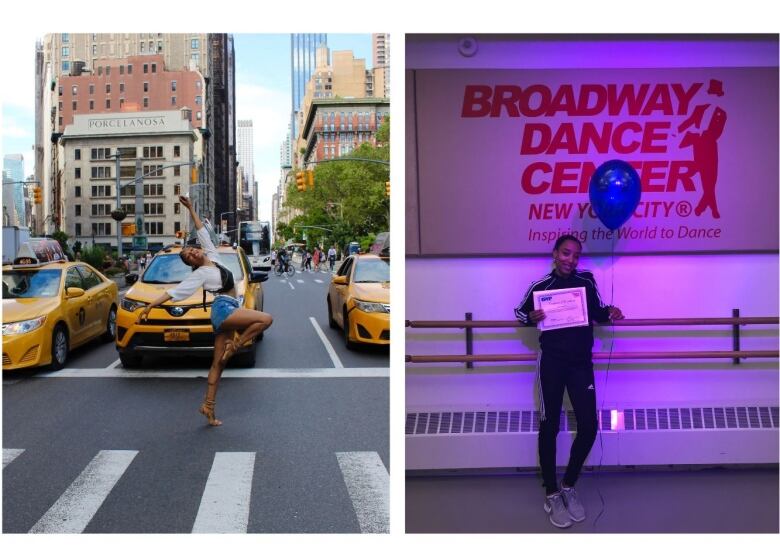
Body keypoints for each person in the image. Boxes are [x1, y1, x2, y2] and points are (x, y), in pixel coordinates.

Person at [514, 234, 624, 529]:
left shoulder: (586, 281)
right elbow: (520, 312)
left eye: (575, 255)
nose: (570, 260)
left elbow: (599, 312)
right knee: (549, 426)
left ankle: (568, 485)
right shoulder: (540, 287)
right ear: (555, 254)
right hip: (551, 362)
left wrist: (611, 312)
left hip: (580, 364)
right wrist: (531, 316)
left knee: (589, 426)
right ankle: (551, 492)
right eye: (566, 253)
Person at [139, 196, 273, 426]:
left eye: (191, 250)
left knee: (218, 364)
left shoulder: (212, 255)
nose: (192, 253)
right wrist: (149, 306)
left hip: (224, 311)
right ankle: (237, 345)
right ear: (191, 264)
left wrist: (191, 208)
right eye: (189, 256)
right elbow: (174, 293)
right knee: (265, 319)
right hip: (223, 309)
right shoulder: (199, 274)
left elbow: (202, 231)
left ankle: (208, 407)